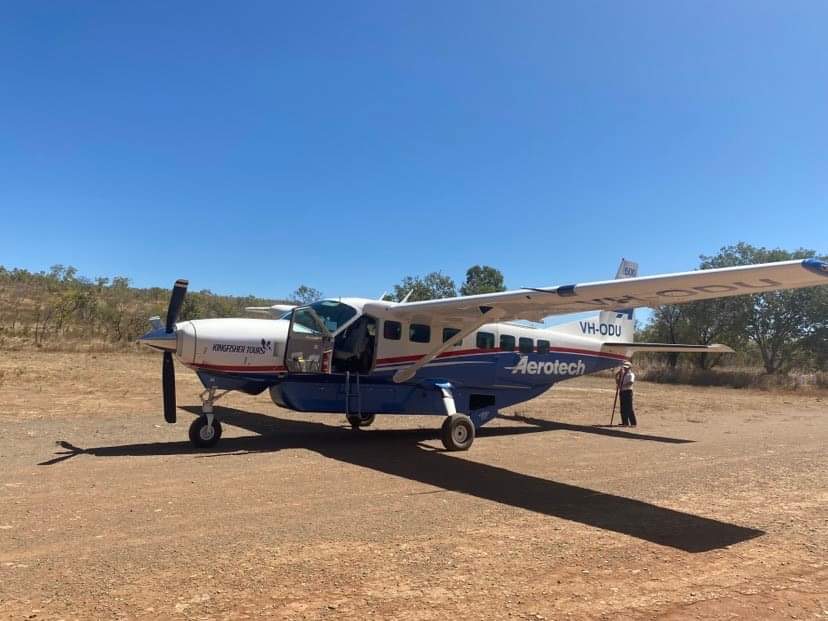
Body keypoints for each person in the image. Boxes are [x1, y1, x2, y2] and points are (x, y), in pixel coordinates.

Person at [615, 361, 637, 427]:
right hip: (622, 391)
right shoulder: (622, 374)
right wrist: (617, 375)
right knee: (623, 408)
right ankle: (625, 422)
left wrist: (623, 386)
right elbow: (618, 382)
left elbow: (630, 382)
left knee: (629, 408)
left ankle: (633, 423)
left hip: (628, 392)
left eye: (626, 368)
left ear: (630, 368)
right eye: (624, 367)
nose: (625, 369)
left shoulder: (631, 374)